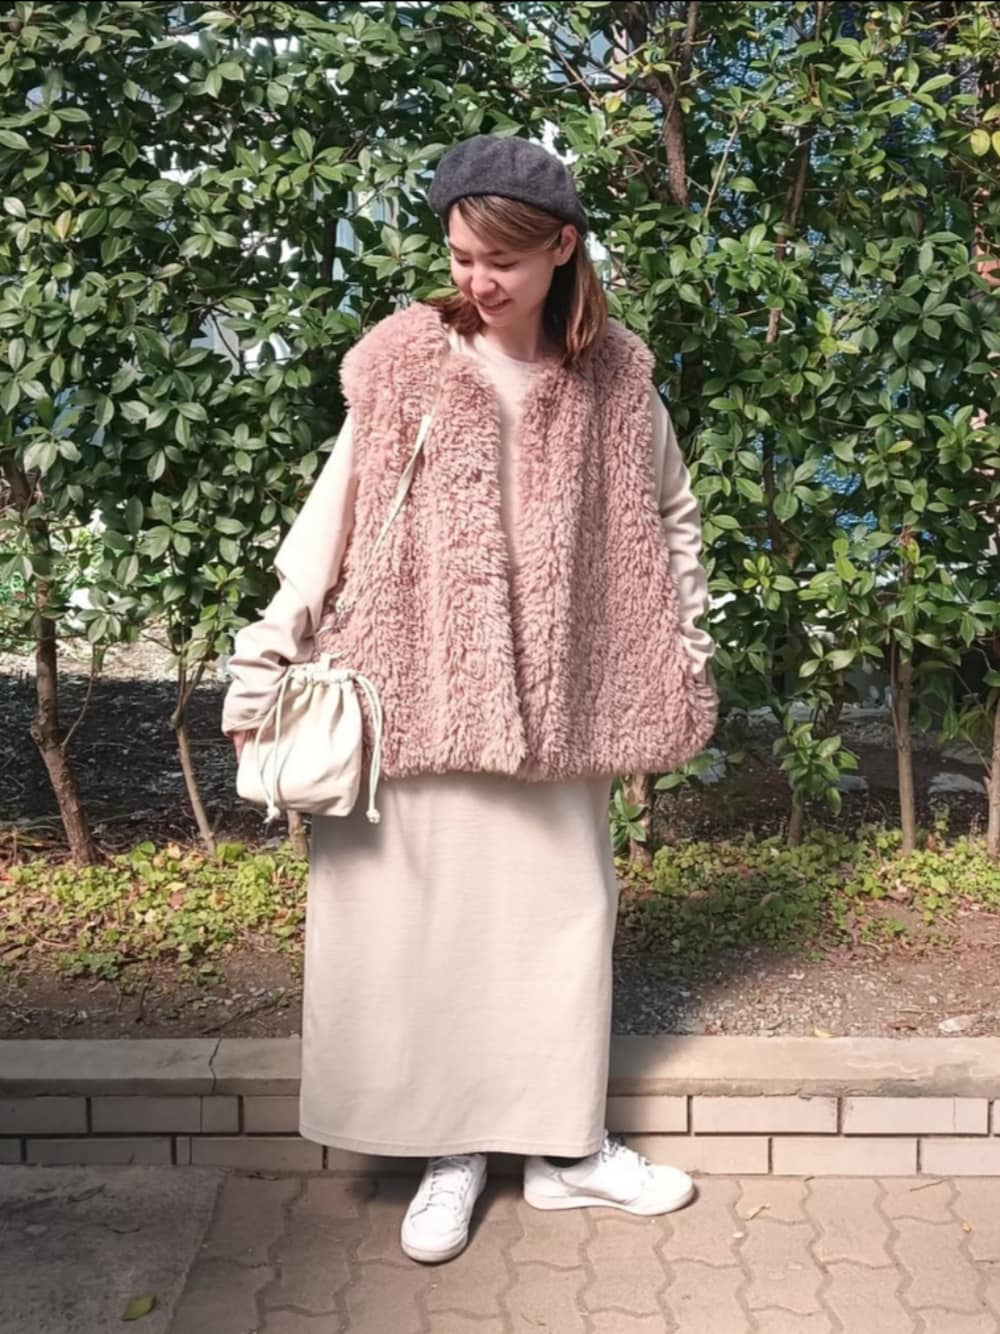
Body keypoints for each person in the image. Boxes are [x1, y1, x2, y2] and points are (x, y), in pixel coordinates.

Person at [221, 134, 718, 1266]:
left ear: (562, 248)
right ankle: (448, 1153)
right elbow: (329, 523)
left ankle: (563, 1150)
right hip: (420, 688)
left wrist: (683, 647)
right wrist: (264, 662)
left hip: (568, 693)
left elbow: (670, 513)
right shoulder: (404, 364)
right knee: (422, 937)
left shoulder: (615, 377)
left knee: (560, 930)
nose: (477, 280)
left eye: (500, 260)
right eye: (459, 256)